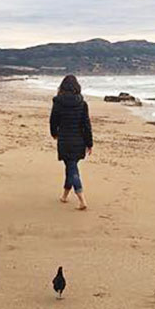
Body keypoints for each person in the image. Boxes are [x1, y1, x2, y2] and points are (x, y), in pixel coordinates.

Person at [49, 75, 93, 210]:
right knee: (71, 165)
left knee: (71, 167)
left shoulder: (58, 103)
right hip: (79, 140)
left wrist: (54, 134)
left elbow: (53, 121)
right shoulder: (82, 103)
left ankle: (81, 199)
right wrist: (89, 143)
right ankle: (64, 195)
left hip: (64, 139)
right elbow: (86, 124)